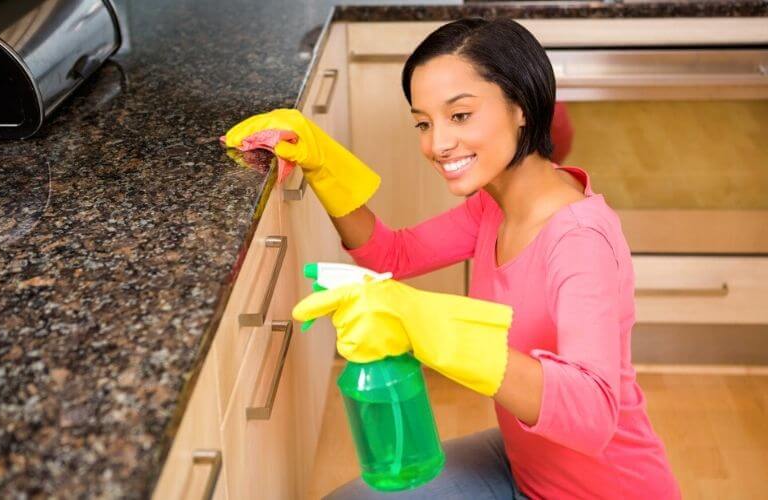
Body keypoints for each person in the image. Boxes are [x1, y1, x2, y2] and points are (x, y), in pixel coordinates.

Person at [224, 17, 681, 500]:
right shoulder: (494, 205)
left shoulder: (580, 239)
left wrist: (432, 326)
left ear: (521, 107)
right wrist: (323, 164)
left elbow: (591, 413)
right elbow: (391, 254)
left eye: (460, 116)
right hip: (524, 464)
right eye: (423, 122)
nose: (437, 144)